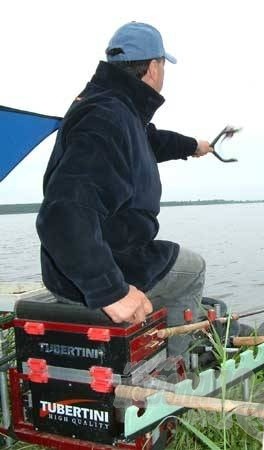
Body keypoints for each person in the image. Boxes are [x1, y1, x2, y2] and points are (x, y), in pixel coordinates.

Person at [36, 22, 213, 359]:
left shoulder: (114, 107)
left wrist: (193, 146)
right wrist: (110, 290)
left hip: (85, 260)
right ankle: (176, 369)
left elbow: (150, 141)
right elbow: (62, 213)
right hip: (105, 264)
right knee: (193, 269)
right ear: (154, 67)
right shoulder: (106, 118)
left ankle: (148, 342)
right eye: (163, 66)